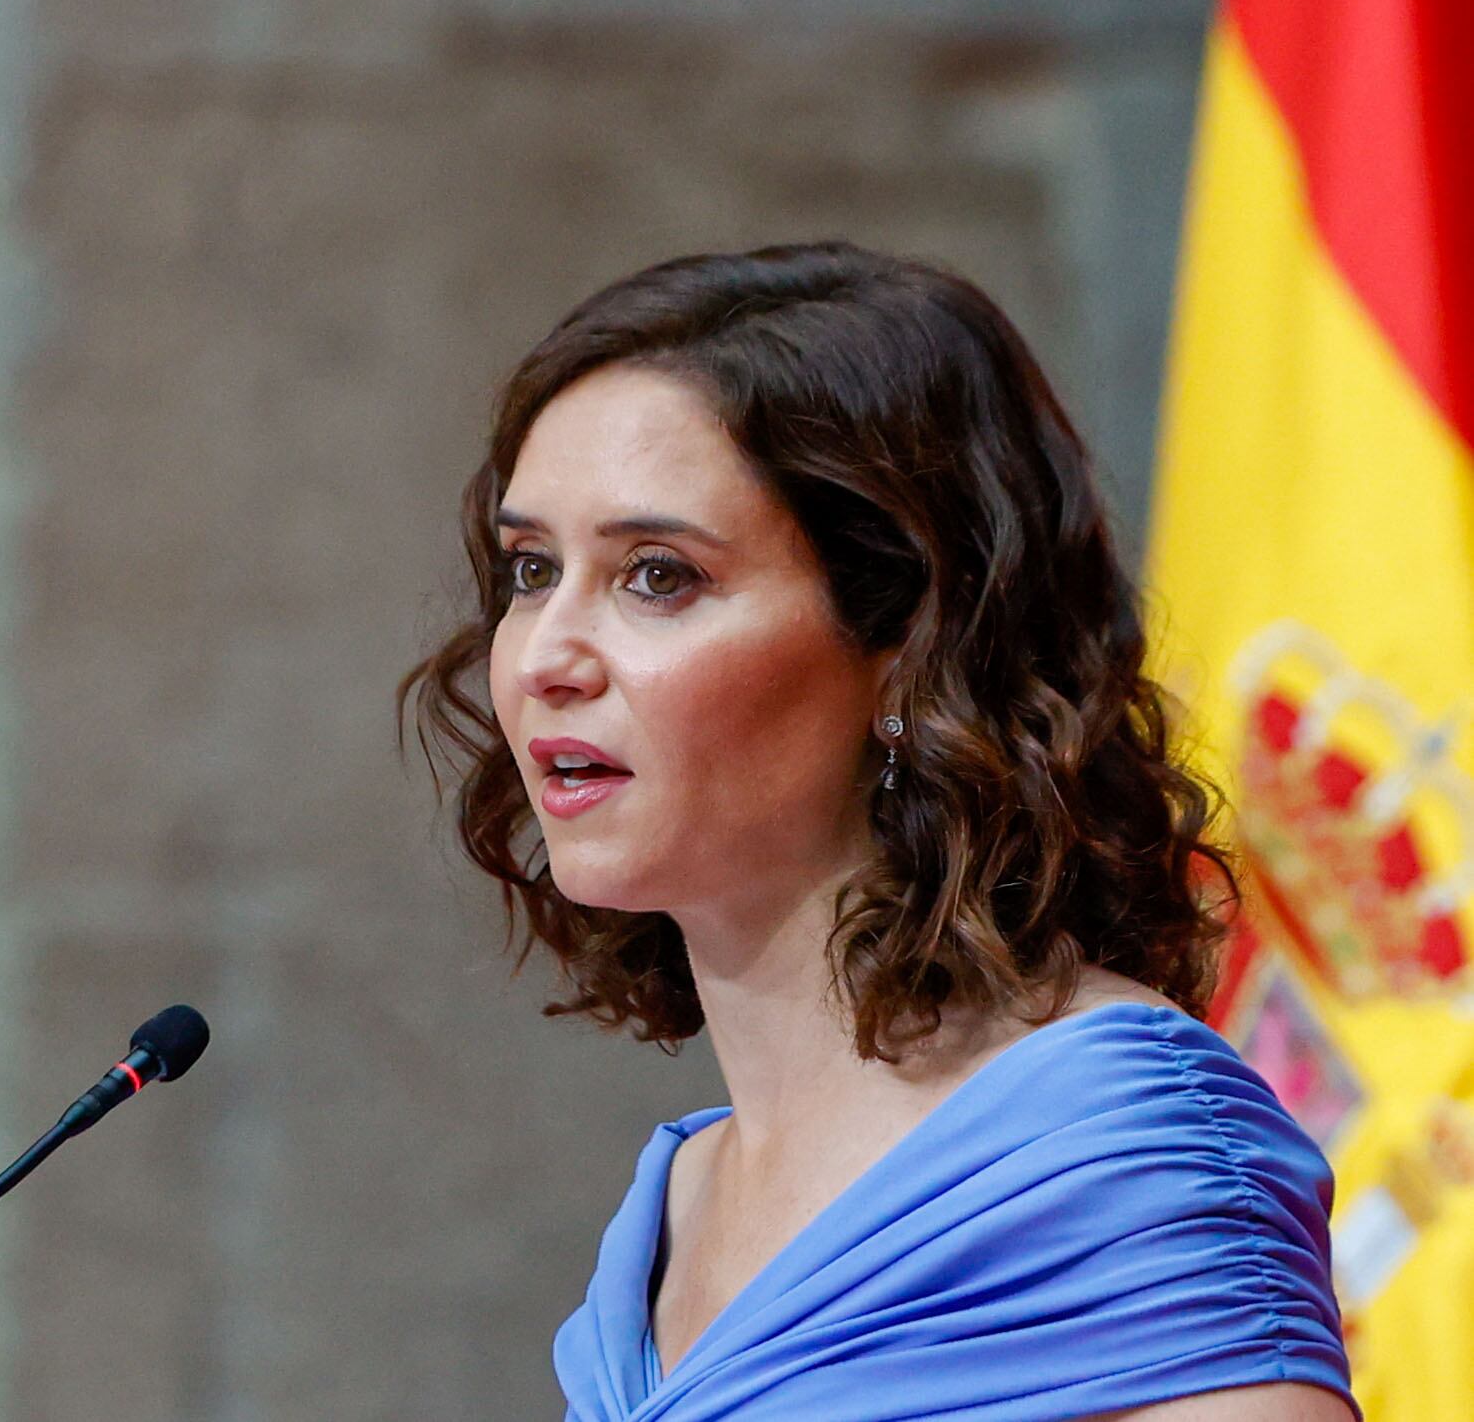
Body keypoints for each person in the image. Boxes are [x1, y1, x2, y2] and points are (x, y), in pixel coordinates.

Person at [397, 243, 1358, 1421]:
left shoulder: (1118, 1154)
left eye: (656, 575)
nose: (543, 654)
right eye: (532, 567)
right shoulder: (672, 1202)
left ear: (910, 637)